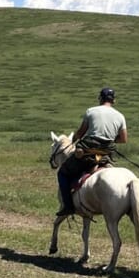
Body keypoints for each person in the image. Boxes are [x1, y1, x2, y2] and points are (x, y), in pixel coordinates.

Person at [55, 87, 128, 216]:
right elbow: (123, 139)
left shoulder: (91, 111)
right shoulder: (120, 116)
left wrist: (74, 140)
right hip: (104, 156)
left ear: (100, 99)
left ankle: (68, 206)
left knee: (62, 173)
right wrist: (109, 140)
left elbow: (80, 133)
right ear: (114, 100)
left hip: (87, 154)